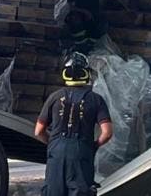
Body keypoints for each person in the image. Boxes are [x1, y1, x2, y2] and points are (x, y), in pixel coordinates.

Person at [35, 52, 113, 196]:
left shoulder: (55, 97)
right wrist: (94, 146)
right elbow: (107, 133)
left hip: (56, 151)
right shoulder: (96, 99)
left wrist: (53, 143)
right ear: (86, 73)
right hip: (81, 151)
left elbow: (39, 131)